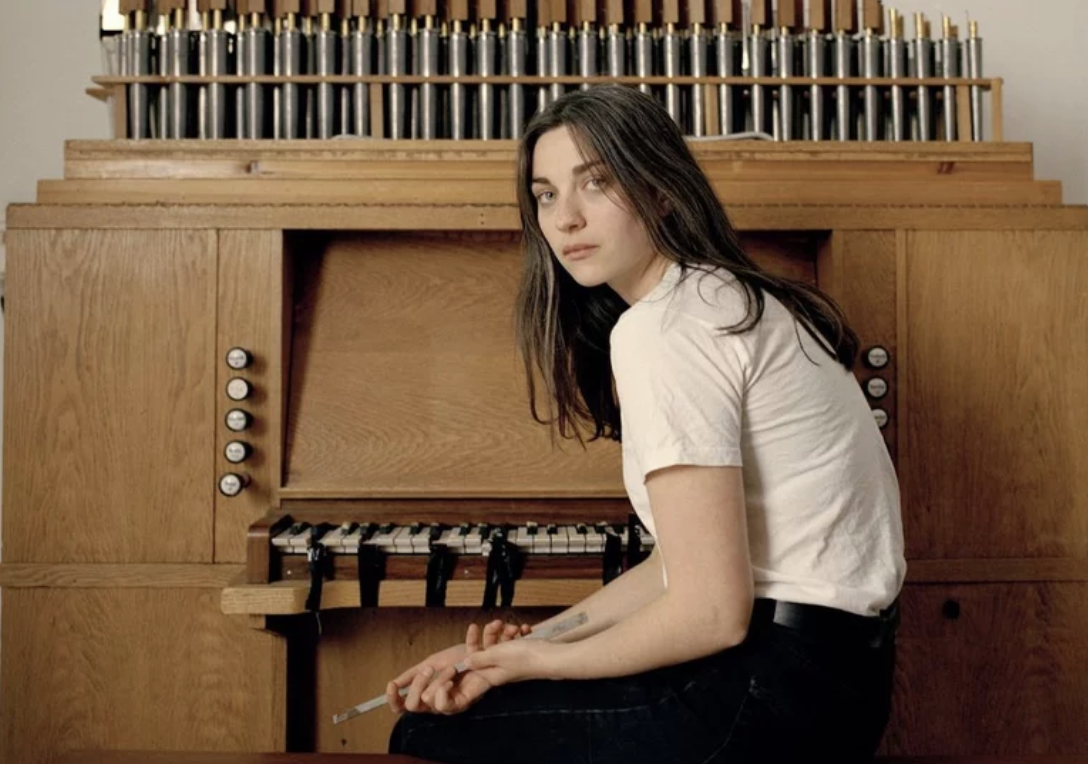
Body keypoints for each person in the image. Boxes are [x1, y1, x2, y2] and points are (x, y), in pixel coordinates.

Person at [385, 85, 906, 764]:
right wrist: (537, 642)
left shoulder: (669, 327)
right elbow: (679, 571)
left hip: (771, 688)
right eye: (545, 195)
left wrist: (527, 666)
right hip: (836, 682)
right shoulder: (722, 296)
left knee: (426, 734)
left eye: (596, 182)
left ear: (660, 189)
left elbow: (711, 613)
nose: (566, 218)